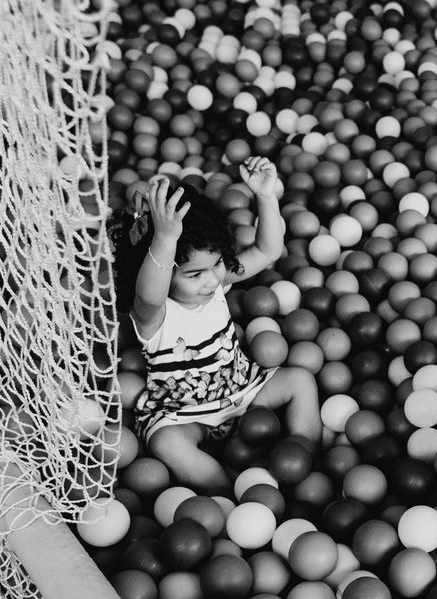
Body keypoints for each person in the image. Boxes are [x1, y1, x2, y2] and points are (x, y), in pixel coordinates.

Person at [109, 157, 321, 495]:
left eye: (218, 263)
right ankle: (226, 493)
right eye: (194, 274)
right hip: (187, 413)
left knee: (300, 380)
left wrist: (266, 197)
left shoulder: (216, 282)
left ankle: (303, 457)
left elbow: (267, 251)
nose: (210, 281)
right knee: (166, 442)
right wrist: (165, 238)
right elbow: (150, 291)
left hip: (244, 390)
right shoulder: (154, 313)